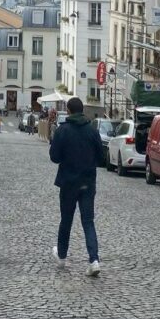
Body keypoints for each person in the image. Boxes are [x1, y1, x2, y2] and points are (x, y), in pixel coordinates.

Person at [49, 96, 103, 277]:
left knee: (66, 220)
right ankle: (94, 260)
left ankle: (62, 256)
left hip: (68, 181)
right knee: (88, 221)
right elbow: (101, 157)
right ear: (83, 111)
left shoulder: (63, 130)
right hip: (88, 181)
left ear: (69, 111)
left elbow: (54, 157)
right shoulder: (92, 130)